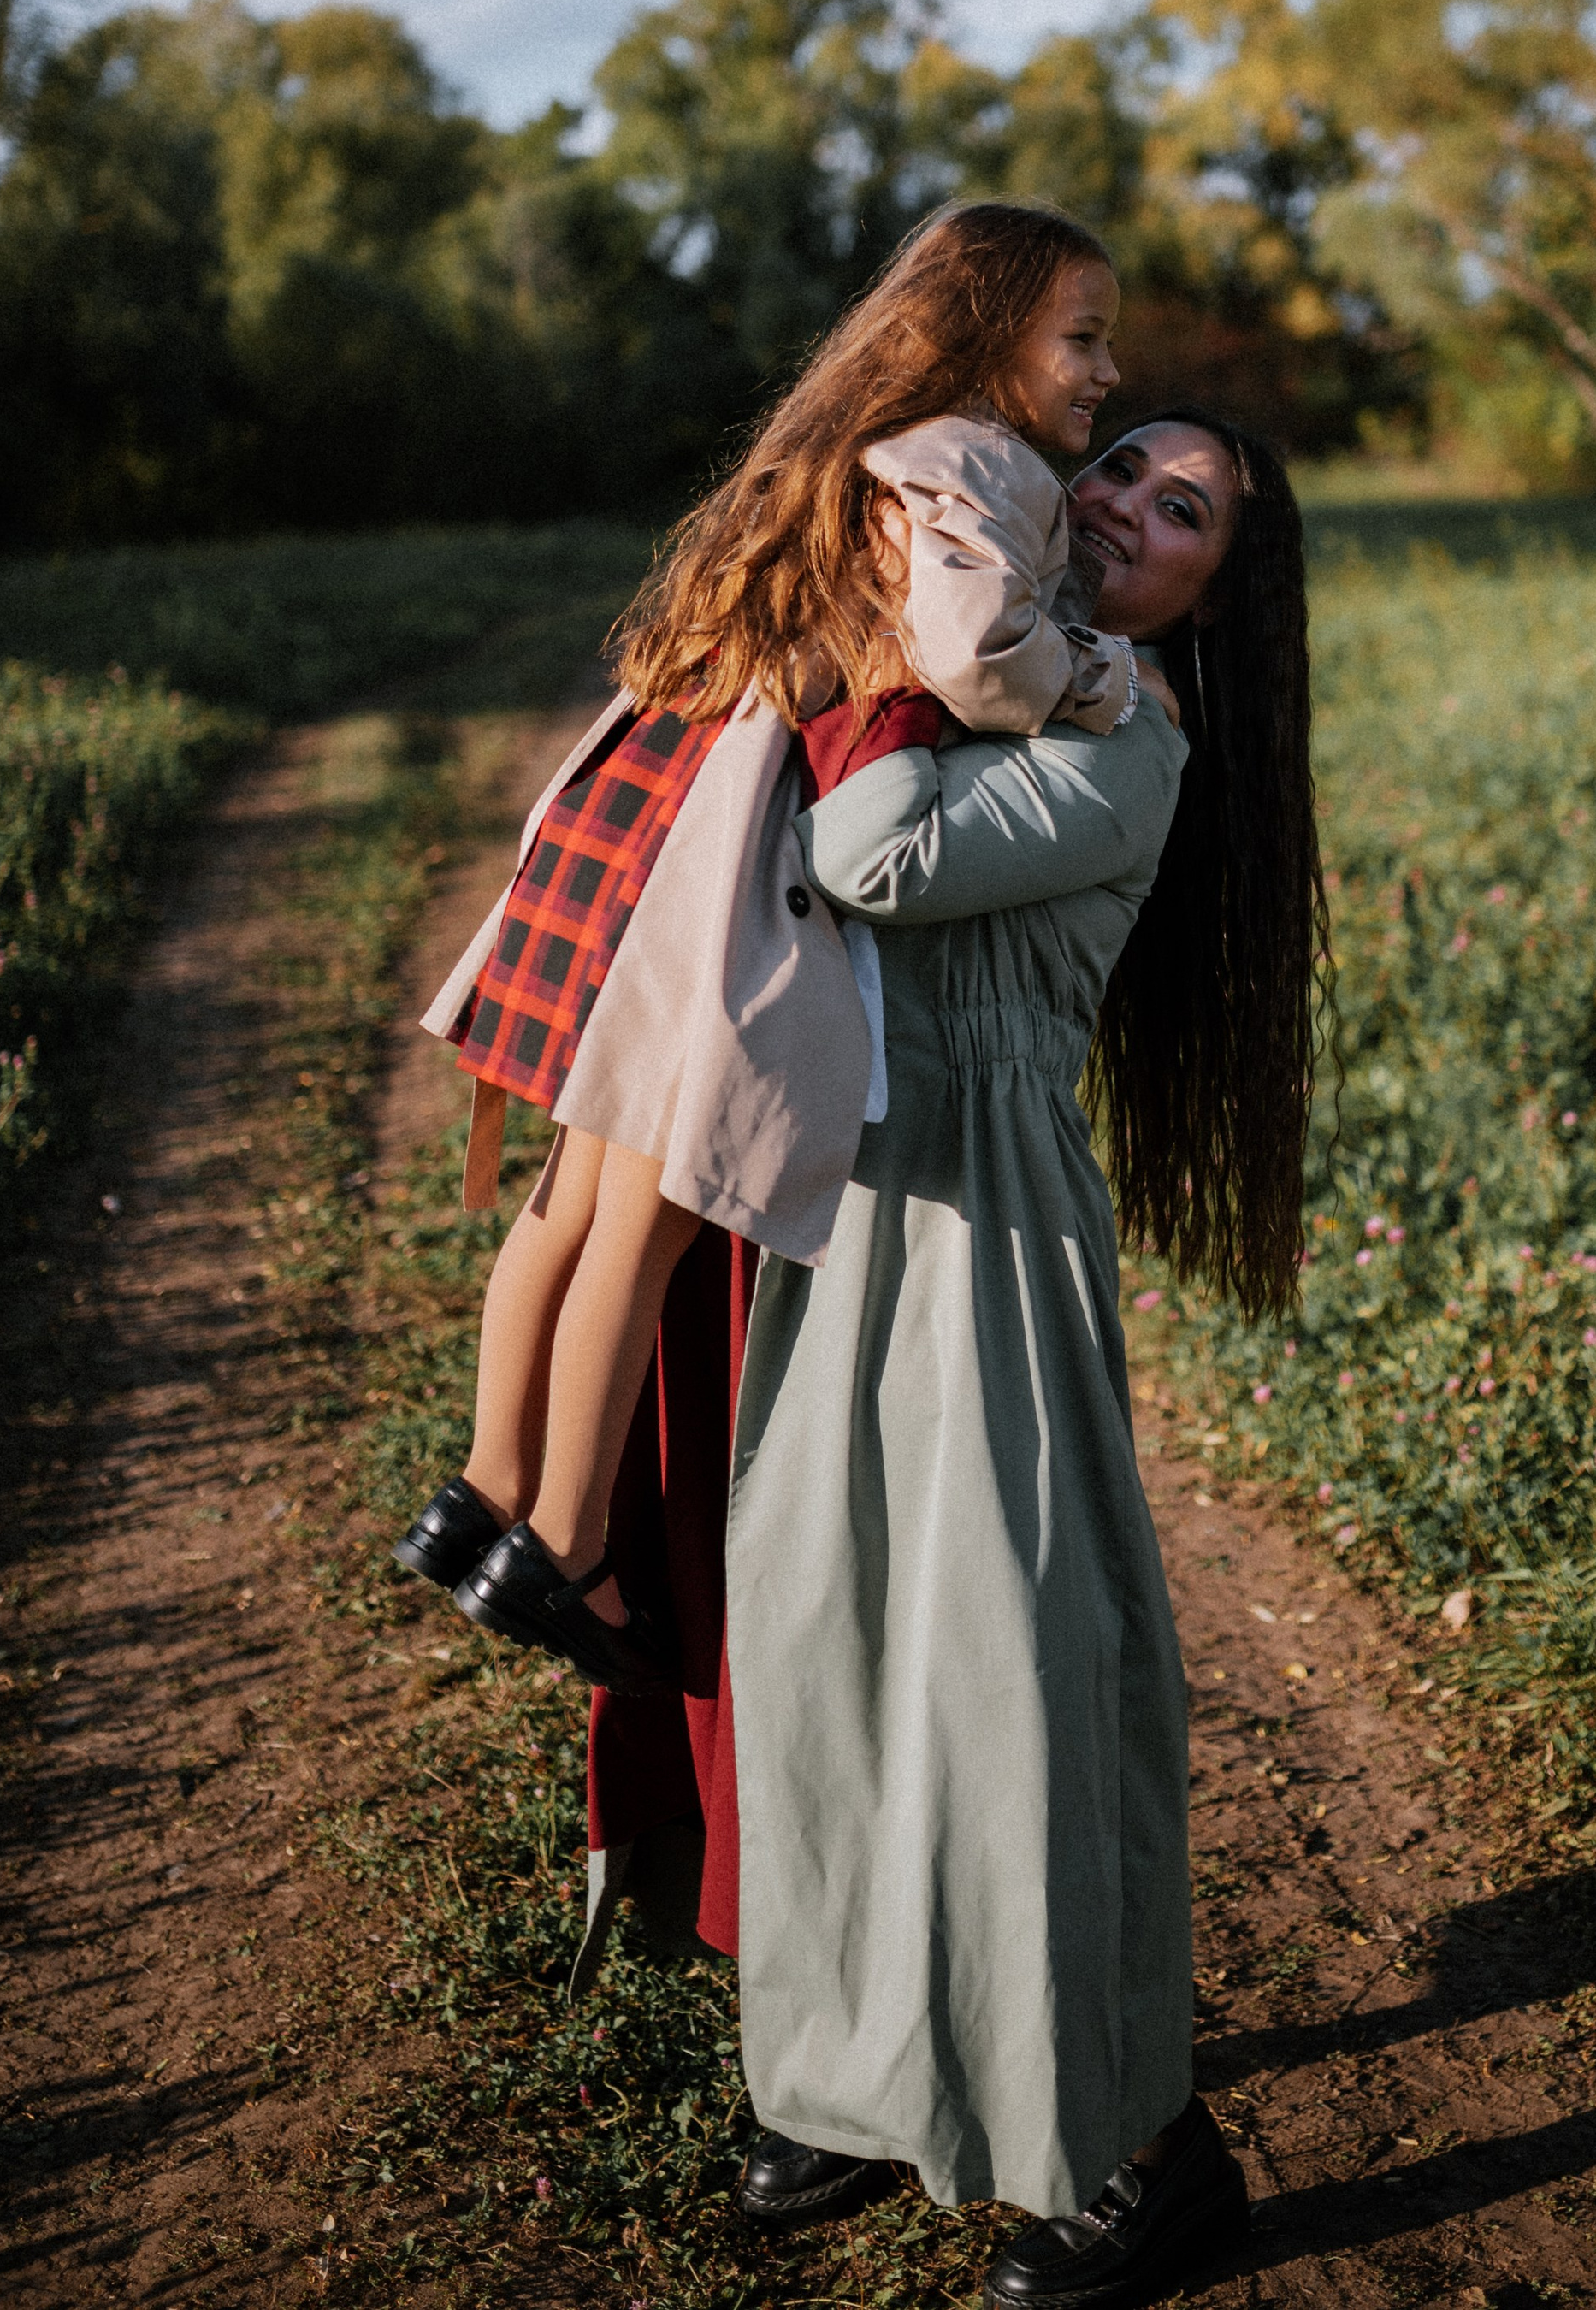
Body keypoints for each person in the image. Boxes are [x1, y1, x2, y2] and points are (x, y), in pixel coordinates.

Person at [726, 411, 1327, 2310]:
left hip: (987, 1213)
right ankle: (845, 2068)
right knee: (822, 1628)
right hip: (853, 1185)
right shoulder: (1013, 669)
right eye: (1119, 464)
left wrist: (906, 651)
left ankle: (1144, 2148)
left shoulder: (1132, 731)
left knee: (1009, 1673)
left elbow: (865, 850)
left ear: (1209, 594)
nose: (1123, 509)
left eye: (1182, 514)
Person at [391, 203, 1147, 1692]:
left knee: (570, 1190)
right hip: (716, 852)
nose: (1109, 369)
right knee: (650, 1213)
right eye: (1086, 334)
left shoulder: (838, 451)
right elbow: (982, 658)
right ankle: (565, 1539)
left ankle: (480, 1486)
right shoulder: (977, 463)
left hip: (639, 804)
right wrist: (1102, 678)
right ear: (985, 338)